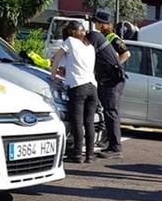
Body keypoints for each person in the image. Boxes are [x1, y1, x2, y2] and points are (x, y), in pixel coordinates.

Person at [50, 21, 98, 164]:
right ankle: (89, 154)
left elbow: (56, 59)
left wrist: (53, 76)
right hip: (92, 87)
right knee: (89, 122)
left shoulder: (70, 41)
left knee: (77, 122)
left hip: (78, 87)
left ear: (72, 32)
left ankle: (77, 154)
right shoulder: (90, 47)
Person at [86, 9, 130, 159]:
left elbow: (126, 53)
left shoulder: (112, 37)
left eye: (96, 22)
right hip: (106, 78)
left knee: (111, 112)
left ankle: (115, 147)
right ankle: (108, 141)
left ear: (103, 24)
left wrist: (115, 65)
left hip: (112, 78)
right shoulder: (102, 37)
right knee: (108, 111)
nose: (94, 25)